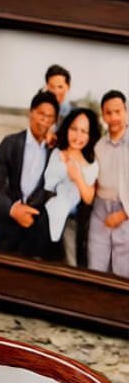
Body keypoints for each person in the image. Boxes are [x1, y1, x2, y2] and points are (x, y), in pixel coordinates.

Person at [0, 90, 58, 254]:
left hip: (38, 231)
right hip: (8, 227)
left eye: (50, 117)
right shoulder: (10, 144)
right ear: (31, 113)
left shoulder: (55, 152)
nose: (44, 120)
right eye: (41, 114)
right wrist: (14, 210)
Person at [36, 107, 100, 263]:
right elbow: (47, 186)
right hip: (46, 214)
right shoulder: (57, 153)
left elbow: (88, 197)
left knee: (70, 263)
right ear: (67, 129)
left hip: (73, 221)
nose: (78, 136)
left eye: (84, 131)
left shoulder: (92, 164)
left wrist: (77, 177)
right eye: (74, 129)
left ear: (90, 135)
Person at [88, 89, 129, 277]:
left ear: (126, 111)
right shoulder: (98, 146)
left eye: (118, 112)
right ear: (103, 114)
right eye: (108, 113)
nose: (113, 117)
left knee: (122, 272)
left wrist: (124, 213)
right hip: (100, 211)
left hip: (126, 211)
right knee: (96, 268)